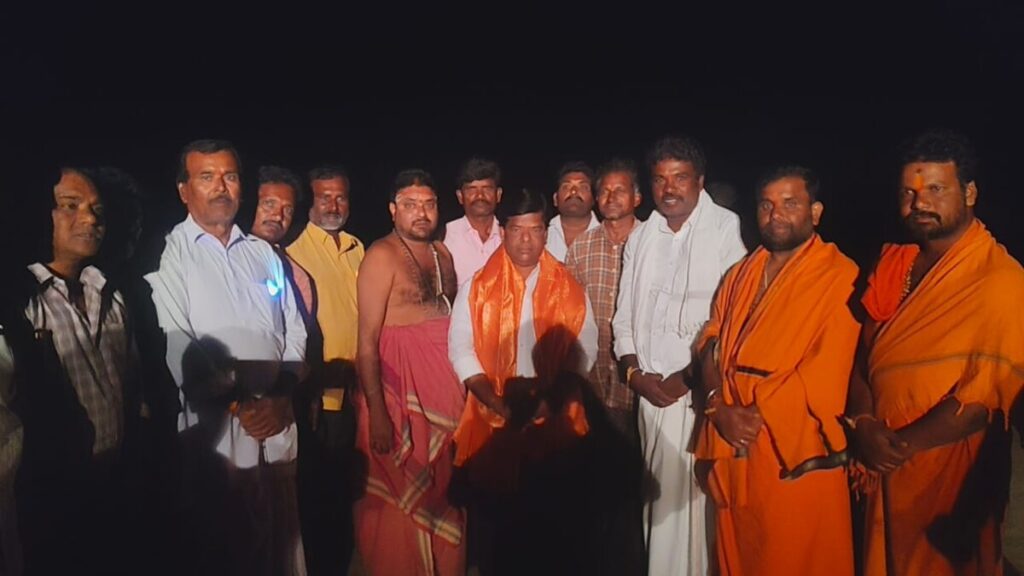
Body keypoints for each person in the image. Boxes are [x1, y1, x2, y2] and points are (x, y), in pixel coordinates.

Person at [847, 129, 1024, 576]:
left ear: (969, 193)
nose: (919, 202)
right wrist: (865, 425)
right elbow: (866, 360)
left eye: (936, 189)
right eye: (909, 191)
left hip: (949, 466)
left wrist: (897, 448)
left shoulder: (1000, 279)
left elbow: (984, 400)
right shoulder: (895, 264)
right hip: (882, 460)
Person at [147, 139, 307, 575]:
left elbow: (293, 330)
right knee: (227, 545)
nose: (221, 187)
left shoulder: (261, 254)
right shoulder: (170, 253)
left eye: (230, 176)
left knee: (283, 541)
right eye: (206, 177)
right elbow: (177, 342)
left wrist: (281, 395)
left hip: (277, 420)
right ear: (184, 190)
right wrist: (240, 404)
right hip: (218, 431)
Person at [694, 166, 858, 576]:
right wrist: (718, 406)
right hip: (733, 436)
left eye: (790, 203)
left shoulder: (841, 275)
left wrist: (755, 414)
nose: (776, 214)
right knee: (740, 553)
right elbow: (709, 341)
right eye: (767, 204)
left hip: (793, 443)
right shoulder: (739, 275)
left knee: (798, 556)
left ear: (815, 211)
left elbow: (828, 368)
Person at [612, 136, 746, 575]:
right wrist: (634, 374)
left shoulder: (726, 228)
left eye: (680, 178)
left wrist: (686, 379)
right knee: (662, 510)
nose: (669, 188)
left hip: (704, 394)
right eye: (660, 179)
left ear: (700, 181)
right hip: (653, 399)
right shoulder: (642, 236)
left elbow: (735, 320)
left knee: (704, 504)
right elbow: (623, 318)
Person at [354, 169, 465, 575]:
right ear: (392, 209)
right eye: (410, 204)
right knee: (396, 507)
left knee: (444, 494)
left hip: (442, 397)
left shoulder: (444, 255)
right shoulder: (380, 255)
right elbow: (366, 342)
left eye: (429, 204)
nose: (421, 212)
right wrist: (378, 413)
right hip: (396, 403)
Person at [443, 158, 504, 287]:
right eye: (471, 190)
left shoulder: (511, 235)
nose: (480, 196)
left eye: (487, 189)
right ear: (460, 196)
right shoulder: (445, 236)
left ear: (498, 194)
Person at [546, 161, 599, 261]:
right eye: (566, 187)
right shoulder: (541, 235)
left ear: (594, 199)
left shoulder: (609, 239)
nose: (574, 191)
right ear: (555, 199)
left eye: (583, 187)